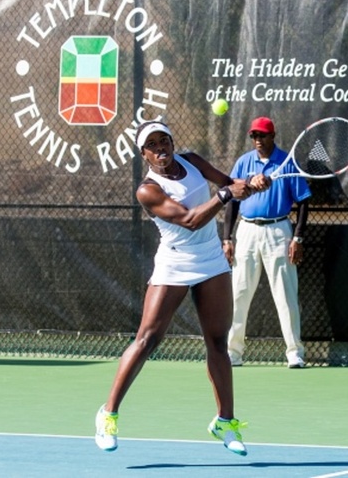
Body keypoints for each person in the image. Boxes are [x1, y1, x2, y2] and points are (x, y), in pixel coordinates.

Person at [95, 120, 268, 456]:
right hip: (175, 262)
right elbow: (191, 220)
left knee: (218, 342)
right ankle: (108, 414)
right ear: (143, 153)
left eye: (165, 141)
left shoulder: (192, 161)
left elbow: (231, 184)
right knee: (147, 339)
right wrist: (225, 193)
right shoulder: (147, 189)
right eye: (153, 145)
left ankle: (225, 421)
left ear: (172, 143)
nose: (161, 148)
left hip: (211, 262)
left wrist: (253, 184)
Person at [223, 116, 312, 368]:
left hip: (278, 231)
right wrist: (226, 238)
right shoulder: (243, 162)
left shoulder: (286, 161)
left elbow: (303, 200)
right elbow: (232, 200)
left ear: (272, 136)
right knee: (239, 293)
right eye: (254, 136)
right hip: (247, 232)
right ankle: (233, 353)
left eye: (262, 135)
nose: (258, 140)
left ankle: (295, 352)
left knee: (285, 295)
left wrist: (298, 237)